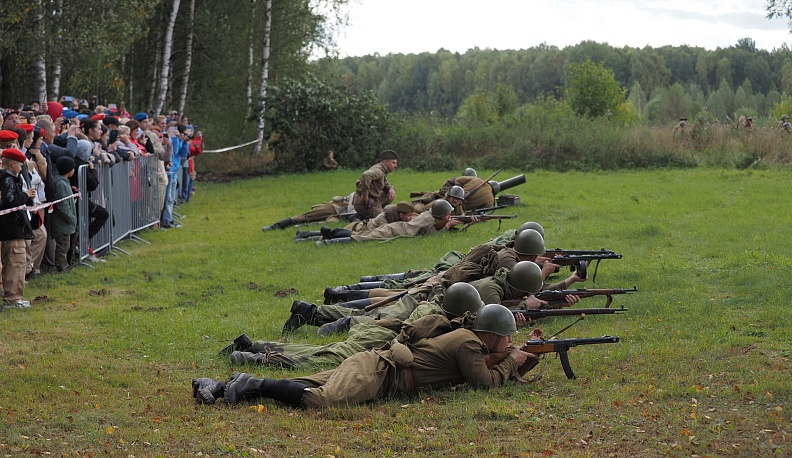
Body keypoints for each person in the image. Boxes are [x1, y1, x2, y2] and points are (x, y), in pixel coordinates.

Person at [192, 303, 536, 407]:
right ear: (490, 335)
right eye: (507, 339)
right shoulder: (469, 343)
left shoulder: (468, 339)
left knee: (300, 384)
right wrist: (513, 361)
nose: (509, 344)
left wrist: (524, 356)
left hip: (378, 368)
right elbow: (483, 381)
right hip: (379, 370)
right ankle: (250, 380)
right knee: (320, 402)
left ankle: (222, 387)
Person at [224, 282, 486, 369]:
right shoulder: (432, 314)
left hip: (377, 330)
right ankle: (253, 357)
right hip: (376, 336)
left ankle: (253, 345)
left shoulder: (438, 307)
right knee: (323, 359)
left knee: (323, 352)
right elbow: (410, 333)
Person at [315, 199, 461, 246]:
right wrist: (447, 226)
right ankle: (327, 240)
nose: (450, 216)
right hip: (392, 231)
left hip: (394, 228)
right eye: (448, 214)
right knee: (361, 237)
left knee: (361, 235)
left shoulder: (430, 214)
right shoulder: (428, 221)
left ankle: (329, 234)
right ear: (441, 215)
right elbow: (431, 236)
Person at [0, 148, 36, 309]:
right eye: (20, 166)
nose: (22, 169)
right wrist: (26, 195)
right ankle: (13, 299)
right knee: (16, 263)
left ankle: (12, 298)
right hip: (13, 228)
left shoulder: (10, 179)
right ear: (13, 165)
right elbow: (10, 201)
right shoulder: (8, 180)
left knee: (13, 263)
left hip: (11, 228)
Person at [262, 192, 356, 232]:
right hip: (333, 208)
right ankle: (274, 226)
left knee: (328, 224)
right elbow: (352, 209)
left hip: (340, 216)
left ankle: (301, 229)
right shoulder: (355, 194)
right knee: (304, 218)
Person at [352, 150, 398, 219]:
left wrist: (391, 188)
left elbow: (385, 182)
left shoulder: (382, 169)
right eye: (393, 163)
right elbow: (366, 175)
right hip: (365, 204)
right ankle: (357, 217)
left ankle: (378, 210)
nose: (396, 166)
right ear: (385, 162)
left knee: (390, 195)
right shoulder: (378, 171)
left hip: (375, 199)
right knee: (384, 219)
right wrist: (365, 195)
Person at [51, 157, 77, 272]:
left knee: (65, 245)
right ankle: (61, 267)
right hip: (62, 222)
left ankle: (65, 264)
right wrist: (71, 218)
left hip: (65, 222)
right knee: (63, 246)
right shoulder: (60, 183)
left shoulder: (64, 182)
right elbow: (63, 205)